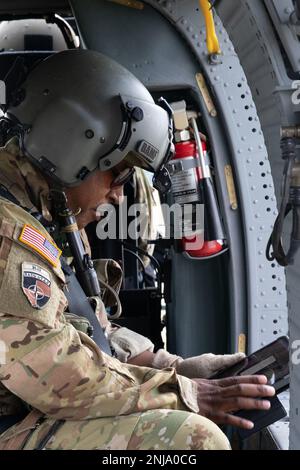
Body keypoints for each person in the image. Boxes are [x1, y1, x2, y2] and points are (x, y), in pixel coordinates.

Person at [0, 49, 275, 450]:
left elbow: (82, 330)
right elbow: (59, 377)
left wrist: (173, 367)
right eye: (119, 173)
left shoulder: (40, 214)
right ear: (72, 146)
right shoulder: (10, 233)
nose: (118, 194)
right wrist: (187, 391)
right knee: (190, 439)